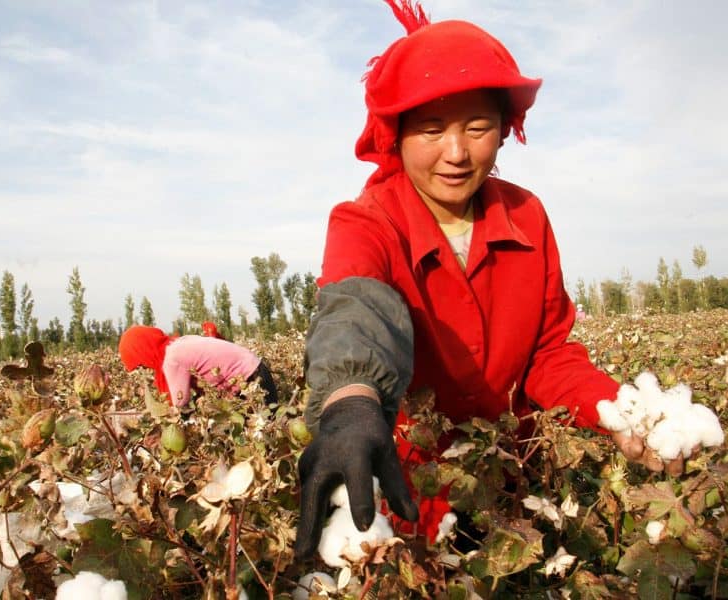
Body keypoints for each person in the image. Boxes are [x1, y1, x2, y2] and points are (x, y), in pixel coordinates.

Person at [294, 0, 685, 559]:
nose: (455, 153)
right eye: (431, 129)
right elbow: (357, 312)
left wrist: (618, 410)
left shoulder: (526, 217)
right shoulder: (367, 221)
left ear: (504, 130)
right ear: (396, 134)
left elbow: (548, 354)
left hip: (511, 485)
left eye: (477, 127)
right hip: (413, 502)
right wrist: (353, 400)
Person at [118, 325, 278, 406]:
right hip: (257, 372)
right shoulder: (179, 343)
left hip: (252, 383)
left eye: (140, 364)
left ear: (142, 352)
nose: (146, 369)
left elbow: (180, 404)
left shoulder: (171, 359)